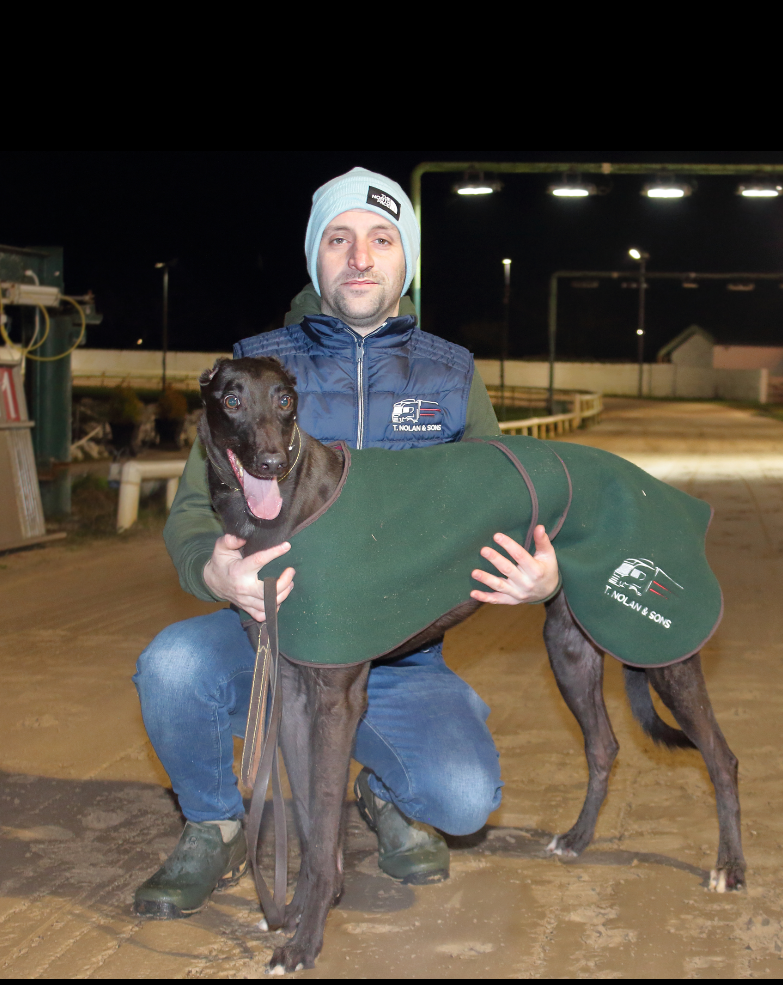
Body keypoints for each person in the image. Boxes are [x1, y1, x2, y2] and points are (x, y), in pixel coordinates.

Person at [132, 168, 560, 919]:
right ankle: (213, 823)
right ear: (315, 257)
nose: (360, 257)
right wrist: (213, 570)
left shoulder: (452, 375)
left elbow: (503, 497)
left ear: (406, 259)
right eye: (339, 239)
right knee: (172, 666)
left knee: (465, 798)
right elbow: (194, 509)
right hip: (273, 634)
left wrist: (542, 575)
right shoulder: (256, 368)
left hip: (400, 652)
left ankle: (381, 788)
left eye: (381, 239)